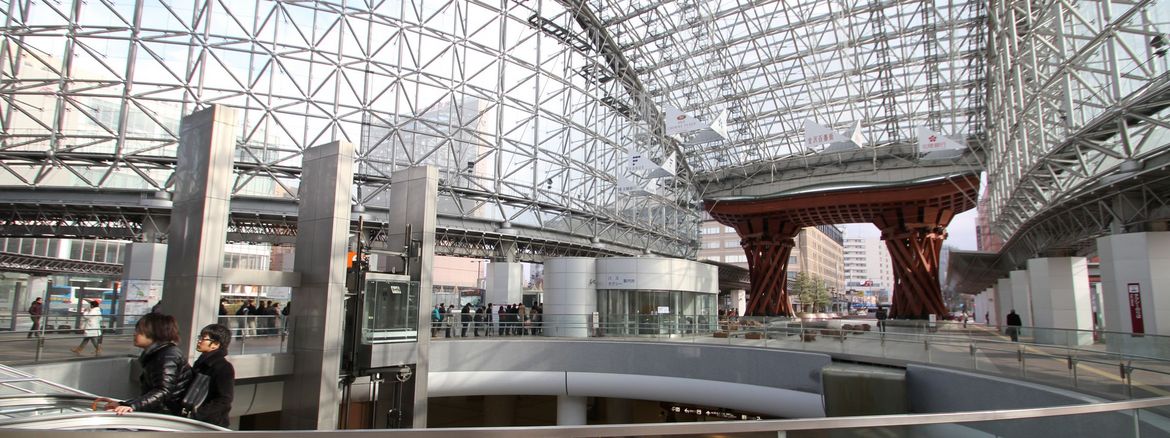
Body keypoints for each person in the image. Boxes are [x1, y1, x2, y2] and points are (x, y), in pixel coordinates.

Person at [101, 313, 191, 415]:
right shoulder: (158, 354)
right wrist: (124, 404)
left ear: (154, 333)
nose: (135, 334)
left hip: (166, 415)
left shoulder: (168, 355)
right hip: (160, 411)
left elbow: (163, 391)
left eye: (139, 331)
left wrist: (132, 406)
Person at [190, 324, 235, 427]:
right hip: (197, 422)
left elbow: (224, 399)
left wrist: (198, 414)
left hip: (210, 425)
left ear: (216, 344)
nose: (199, 341)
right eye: (200, 337)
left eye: (203, 338)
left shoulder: (224, 367)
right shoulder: (200, 363)